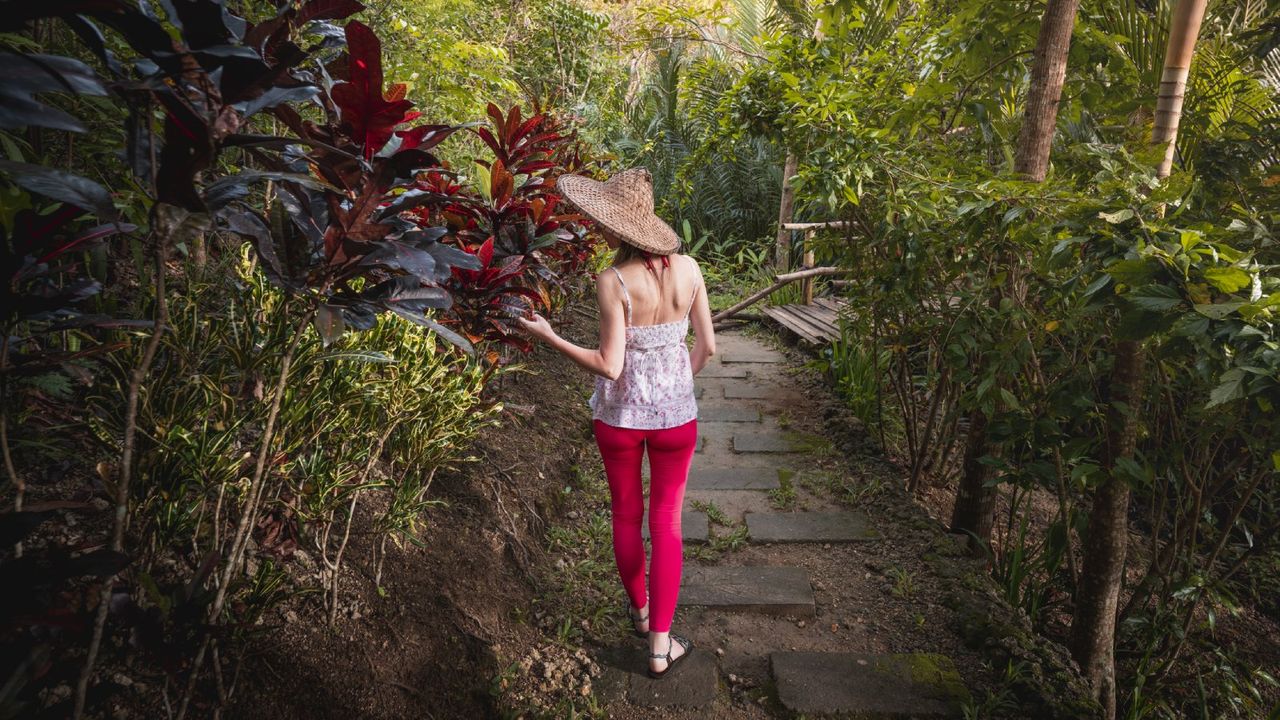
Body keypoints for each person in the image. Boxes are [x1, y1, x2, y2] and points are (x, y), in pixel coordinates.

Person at [516, 167, 715, 678]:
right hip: (676, 423)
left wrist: (552, 338)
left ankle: (642, 611)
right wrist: (676, 388)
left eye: (602, 222)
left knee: (627, 515)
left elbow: (610, 365)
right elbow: (708, 348)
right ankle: (660, 646)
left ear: (616, 229)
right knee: (667, 522)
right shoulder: (690, 269)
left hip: (621, 420)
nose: (597, 229)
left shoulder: (613, 281)